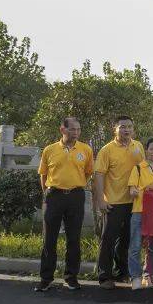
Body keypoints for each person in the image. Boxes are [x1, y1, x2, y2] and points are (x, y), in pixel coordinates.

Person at [35, 116, 93, 292]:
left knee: (73, 239)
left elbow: (89, 173)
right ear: (63, 130)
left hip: (76, 196)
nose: (76, 132)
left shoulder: (85, 149)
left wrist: (76, 185)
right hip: (54, 196)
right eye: (72, 129)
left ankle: (71, 277)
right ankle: (46, 278)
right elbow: (43, 174)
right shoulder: (50, 150)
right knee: (49, 239)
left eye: (78, 129)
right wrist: (47, 192)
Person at [94, 114, 144, 289]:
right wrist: (100, 200)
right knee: (108, 239)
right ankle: (104, 276)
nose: (126, 130)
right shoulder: (107, 150)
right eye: (122, 127)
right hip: (113, 202)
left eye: (129, 126)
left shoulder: (138, 147)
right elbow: (99, 175)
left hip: (134, 202)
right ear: (114, 129)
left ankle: (122, 272)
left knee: (126, 240)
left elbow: (143, 171)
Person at [127, 137, 153, 290]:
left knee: (152, 246)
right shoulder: (138, 168)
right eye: (151, 149)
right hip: (139, 211)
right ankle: (135, 276)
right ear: (146, 150)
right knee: (135, 245)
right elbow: (132, 191)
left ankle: (148, 273)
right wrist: (141, 190)